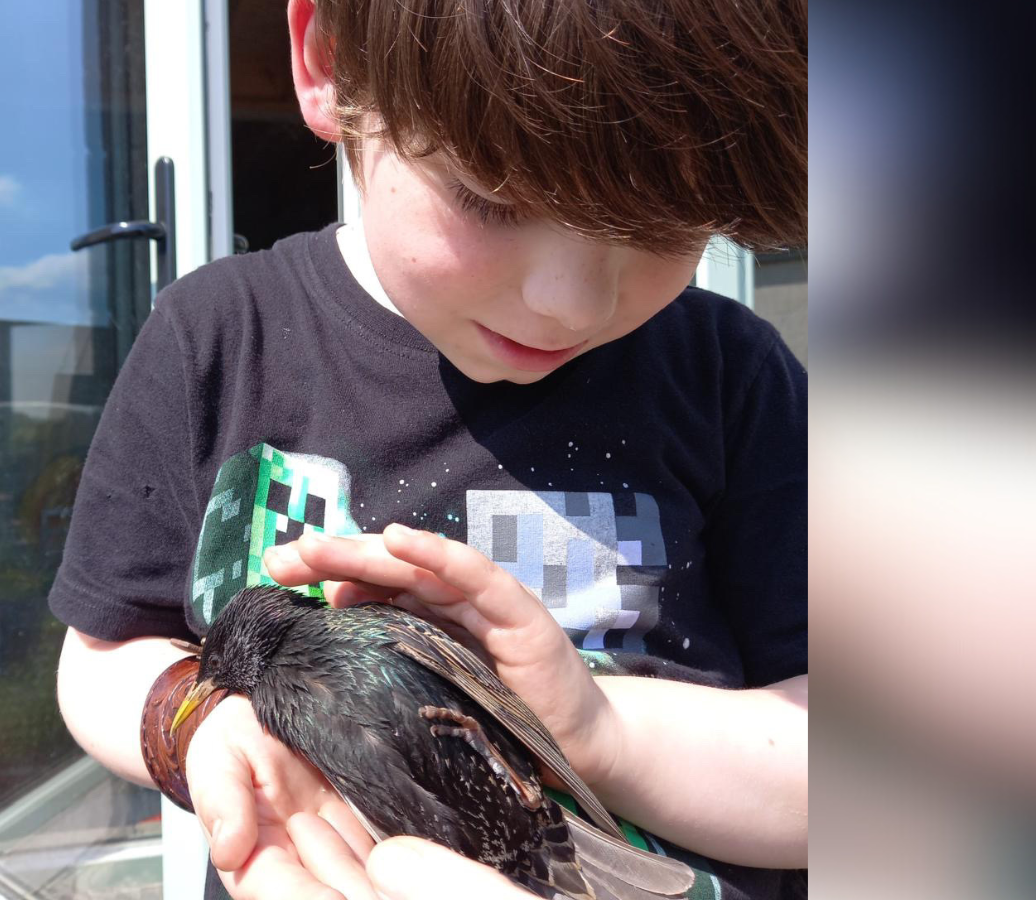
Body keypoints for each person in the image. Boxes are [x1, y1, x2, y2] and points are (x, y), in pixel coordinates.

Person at [49, 0, 808, 898]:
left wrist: (597, 729)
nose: (568, 302)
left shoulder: (730, 378)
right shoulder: (217, 337)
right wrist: (198, 724)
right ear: (330, 63)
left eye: (660, 224)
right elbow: (103, 654)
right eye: (493, 198)